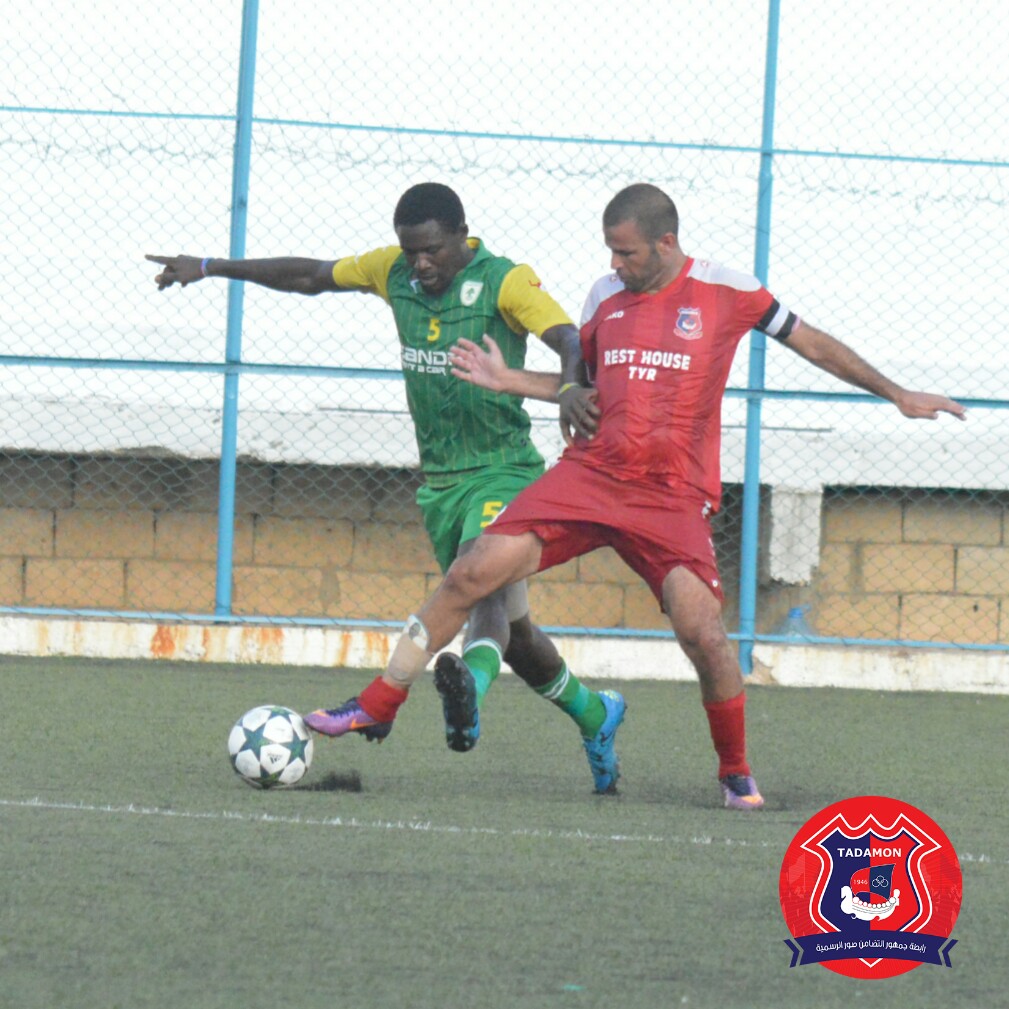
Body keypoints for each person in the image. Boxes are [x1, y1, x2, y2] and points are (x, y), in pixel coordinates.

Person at [301, 182, 966, 810]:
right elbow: (580, 387)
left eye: (625, 252)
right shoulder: (602, 296)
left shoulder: (726, 288)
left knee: (701, 631)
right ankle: (377, 703)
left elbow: (811, 341)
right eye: (609, 252)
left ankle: (734, 770)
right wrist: (510, 380)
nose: (613, 264)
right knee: (472, 570)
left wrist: (896, 393)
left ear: (665, 242)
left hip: (670, 498)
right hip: (588, 478)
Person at [147, 183, 626, 794]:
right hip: (441, 487)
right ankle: (596, 713)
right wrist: (213, 267)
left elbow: (565, 336)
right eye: (410, 252)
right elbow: (309, 276)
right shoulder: (391, 270)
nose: (419, 263)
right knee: (516, 633)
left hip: (505, 471)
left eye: (431, 251)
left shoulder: (505, 280)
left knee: (477, 587)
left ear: (460, 236)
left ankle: (447, 692)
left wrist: (569, 388)